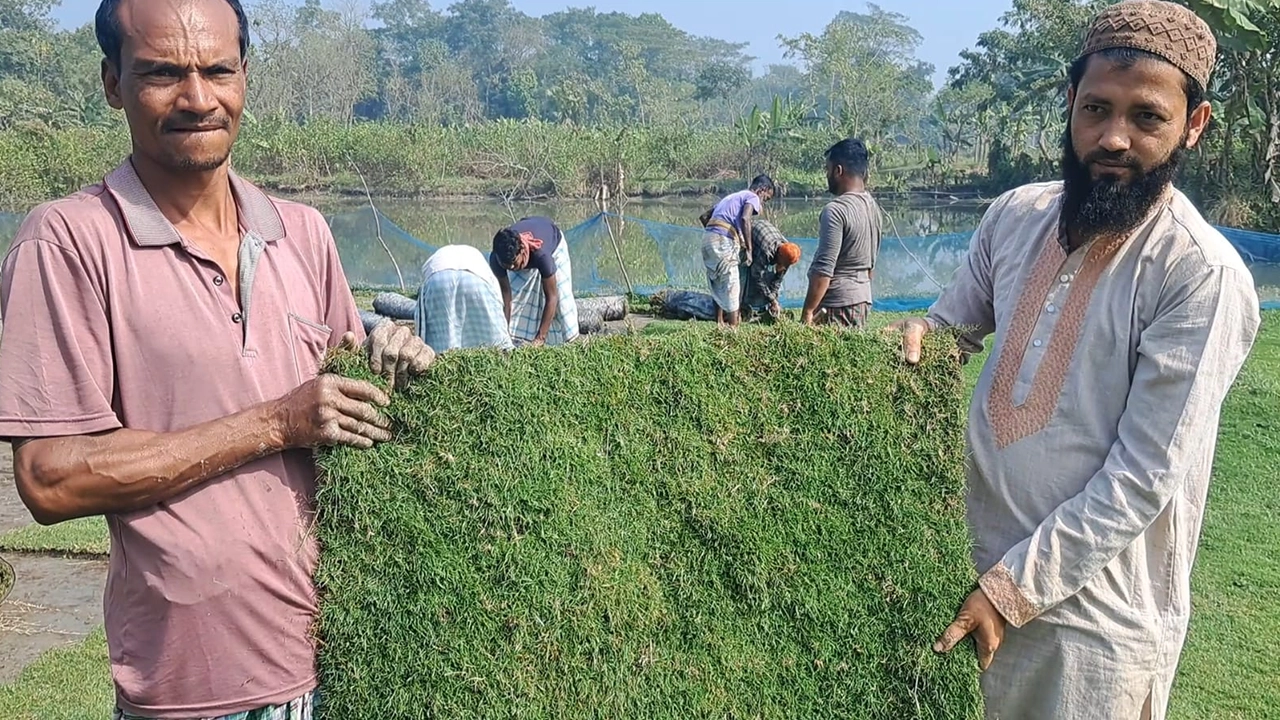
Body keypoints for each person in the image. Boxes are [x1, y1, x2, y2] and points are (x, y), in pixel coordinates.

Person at [0, 1, 436, 718]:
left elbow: (354, 421)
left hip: (346, 659)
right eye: (163, 73)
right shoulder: (67, 242)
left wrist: (399, 363)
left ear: (244, 77)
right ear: (113, 83)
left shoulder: (302, 231)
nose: (197, 98)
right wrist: (275, 423)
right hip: (195, 689)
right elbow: (50, 479)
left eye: (217, 70)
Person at [890, 2, 1260, 718]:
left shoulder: (1199, 274)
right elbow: (951, 328)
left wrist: (1012, 588)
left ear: (1194, 124)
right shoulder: (1015, 215)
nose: (1112, 138)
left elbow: (1143, 476)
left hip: (1092, 627)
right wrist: (922, 339)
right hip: (958, 579)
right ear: (1069, 105)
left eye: (1146, 117)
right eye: (1096, 109)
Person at [802, 138, 882, 329]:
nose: (827, 175)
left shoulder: (836, 210)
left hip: (836, 305)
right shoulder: (873, 207)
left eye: (827, 170)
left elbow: (824, 269)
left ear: (838, 171)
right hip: (862, 300)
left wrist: (808, 311)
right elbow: (871, 265)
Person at [698, 175, 776, 326]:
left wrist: (716, 233)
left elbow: (704, 217)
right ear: (762, 190)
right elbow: (745, 219)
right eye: (765, 199)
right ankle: (734, 328)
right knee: (732, 283)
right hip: (722, 239)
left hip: (708, 238)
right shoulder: (752, 196)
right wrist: (749, 249)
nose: (762, 204)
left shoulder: (731, 198)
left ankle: (720, 323)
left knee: (718, 280)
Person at [489, 215, 579, 346]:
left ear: (521, 250)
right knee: (517, 295)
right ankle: (515, 339)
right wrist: (504, 334)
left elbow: (552, 297)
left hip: (553, 244)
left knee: (562, 300)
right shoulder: (497, 260)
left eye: (514, 263)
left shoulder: (542, 256)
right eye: (506, 265)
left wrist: (540, 338)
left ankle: (571, 343)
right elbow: (506, 298)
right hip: (527, 242)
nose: (512, 268)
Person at [416, 244, 513, 352]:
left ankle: (442, 361)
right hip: (476, 281)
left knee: (443, 336)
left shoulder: (440, 256)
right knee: (492, 338)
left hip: (438, 279)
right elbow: (496, 310)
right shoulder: (481, 261)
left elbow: (422, 315)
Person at [739, 218, 802, 321]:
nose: (784, 266)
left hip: (765, 234)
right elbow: (757, 276)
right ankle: (740, 308)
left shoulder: (788, 251)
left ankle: (764, 308)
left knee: (768, 276)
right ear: (779, 256)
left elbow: (778, 279)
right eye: (783, 263)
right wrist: (772, 300)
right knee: (745, 272)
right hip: (748, 234)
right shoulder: (766, 251)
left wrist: (774, 299)